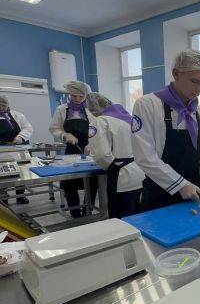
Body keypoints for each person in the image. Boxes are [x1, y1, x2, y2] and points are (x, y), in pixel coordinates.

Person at [132, 49, 200, 211]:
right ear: (176, 74)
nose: (199, 89)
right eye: (195, 81)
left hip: (195, 197)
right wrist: (180, 184)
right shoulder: (148, 105)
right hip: (159, 197)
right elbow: (145, 156)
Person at [87, 93, 144, 218]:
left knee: (121, 218)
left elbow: (101, 155)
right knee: (136, 215)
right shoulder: (128, 119)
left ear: (94, 110)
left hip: (121, 177)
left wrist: (112, 167)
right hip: (139, 173)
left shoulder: (100, 121)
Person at [49, 81, 98, 218]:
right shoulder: (62, 109)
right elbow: (54, 128)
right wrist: (65, 134)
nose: (76, 99)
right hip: (71, 149)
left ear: (86, 96)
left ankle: (87, 210)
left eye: (80, 97)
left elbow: (99, 129)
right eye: (73, 96)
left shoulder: (91, 110)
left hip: (90, 149)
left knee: (92, 181)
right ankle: (75, 212)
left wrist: (93, 143)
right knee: (69, 182)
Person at [0, 95, 34, 204]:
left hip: (18, 150)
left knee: (22, 173)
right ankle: (3, 197)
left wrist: (20, 137)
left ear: (8, 105)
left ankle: (20, 196)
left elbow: (28, 128)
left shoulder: (17, 115)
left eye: (3, 105)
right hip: (2, 152)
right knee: (3, 175)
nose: (1, 108)